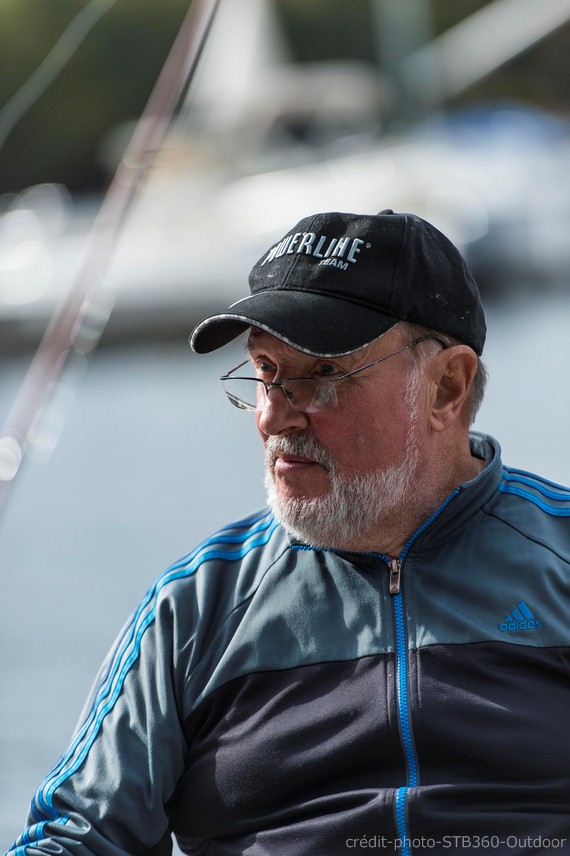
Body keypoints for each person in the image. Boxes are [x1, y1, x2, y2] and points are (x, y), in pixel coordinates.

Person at [6, 210, 570, 856]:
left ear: (447, 387)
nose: (273, 415)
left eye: (322, 375)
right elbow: (74, 839)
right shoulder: (194, 610)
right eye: (266, 372)